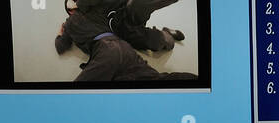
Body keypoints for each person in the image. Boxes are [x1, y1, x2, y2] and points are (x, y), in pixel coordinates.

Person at [55, 2, 195, 82]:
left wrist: (59, 35)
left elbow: (61, 46)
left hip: (116, 38)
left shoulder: (95, 9)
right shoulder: (79, 19)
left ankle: (167, 35)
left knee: (138, 10)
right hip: (123, 45)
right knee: (155, 79)